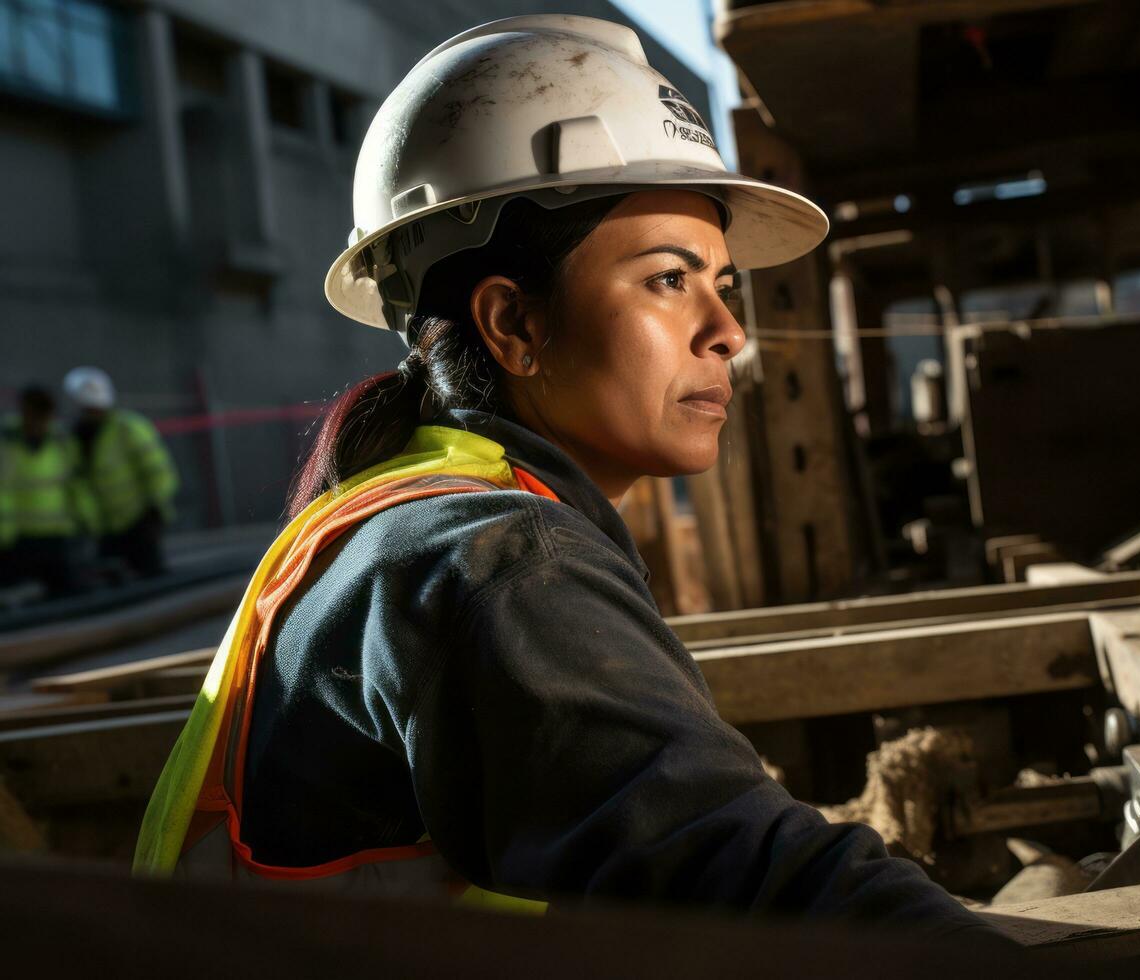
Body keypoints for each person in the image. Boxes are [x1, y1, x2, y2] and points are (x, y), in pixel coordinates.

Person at [135, 15, 1011, 947]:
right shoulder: (498, 558)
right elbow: (739, 876)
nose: (727, 331)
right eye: (669, 279)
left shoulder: (411, 518)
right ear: (513, 323)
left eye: (724, 283)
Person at [63, 366, 178, 578]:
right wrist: (89, 522)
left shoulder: (128, 428)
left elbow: (157, 471)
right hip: (106, 528)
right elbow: (78, 484)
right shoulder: (77, 439)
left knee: (151, 577)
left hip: (140, 521)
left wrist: (154, 509)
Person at [0, 385, 96, 597]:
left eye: (44, 418)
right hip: (17, 540)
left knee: (70, 595)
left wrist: (89, 522)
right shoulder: (6, 442)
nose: (39, 424)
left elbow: (76, 486)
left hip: (57, 538)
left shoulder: (61, 443)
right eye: (35, 416)